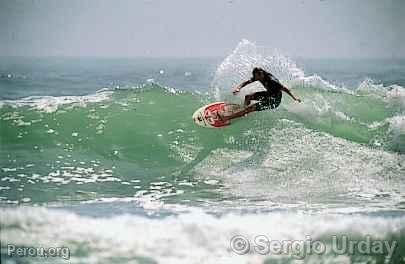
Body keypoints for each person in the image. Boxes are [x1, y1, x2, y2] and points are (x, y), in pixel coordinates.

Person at [219, 67, 301, 122]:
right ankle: (243, 111)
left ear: (261, 74)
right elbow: (246, 82)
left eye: (257, 77)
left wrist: (294, 98)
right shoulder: (258, 76)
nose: (256, 79)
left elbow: (285, 88)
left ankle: (226, 118)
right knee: (248, 97)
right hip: (268, 94)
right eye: (255, 77)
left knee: (250, 108)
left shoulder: (272, 81)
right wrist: (238, 88)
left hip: (274, 101)